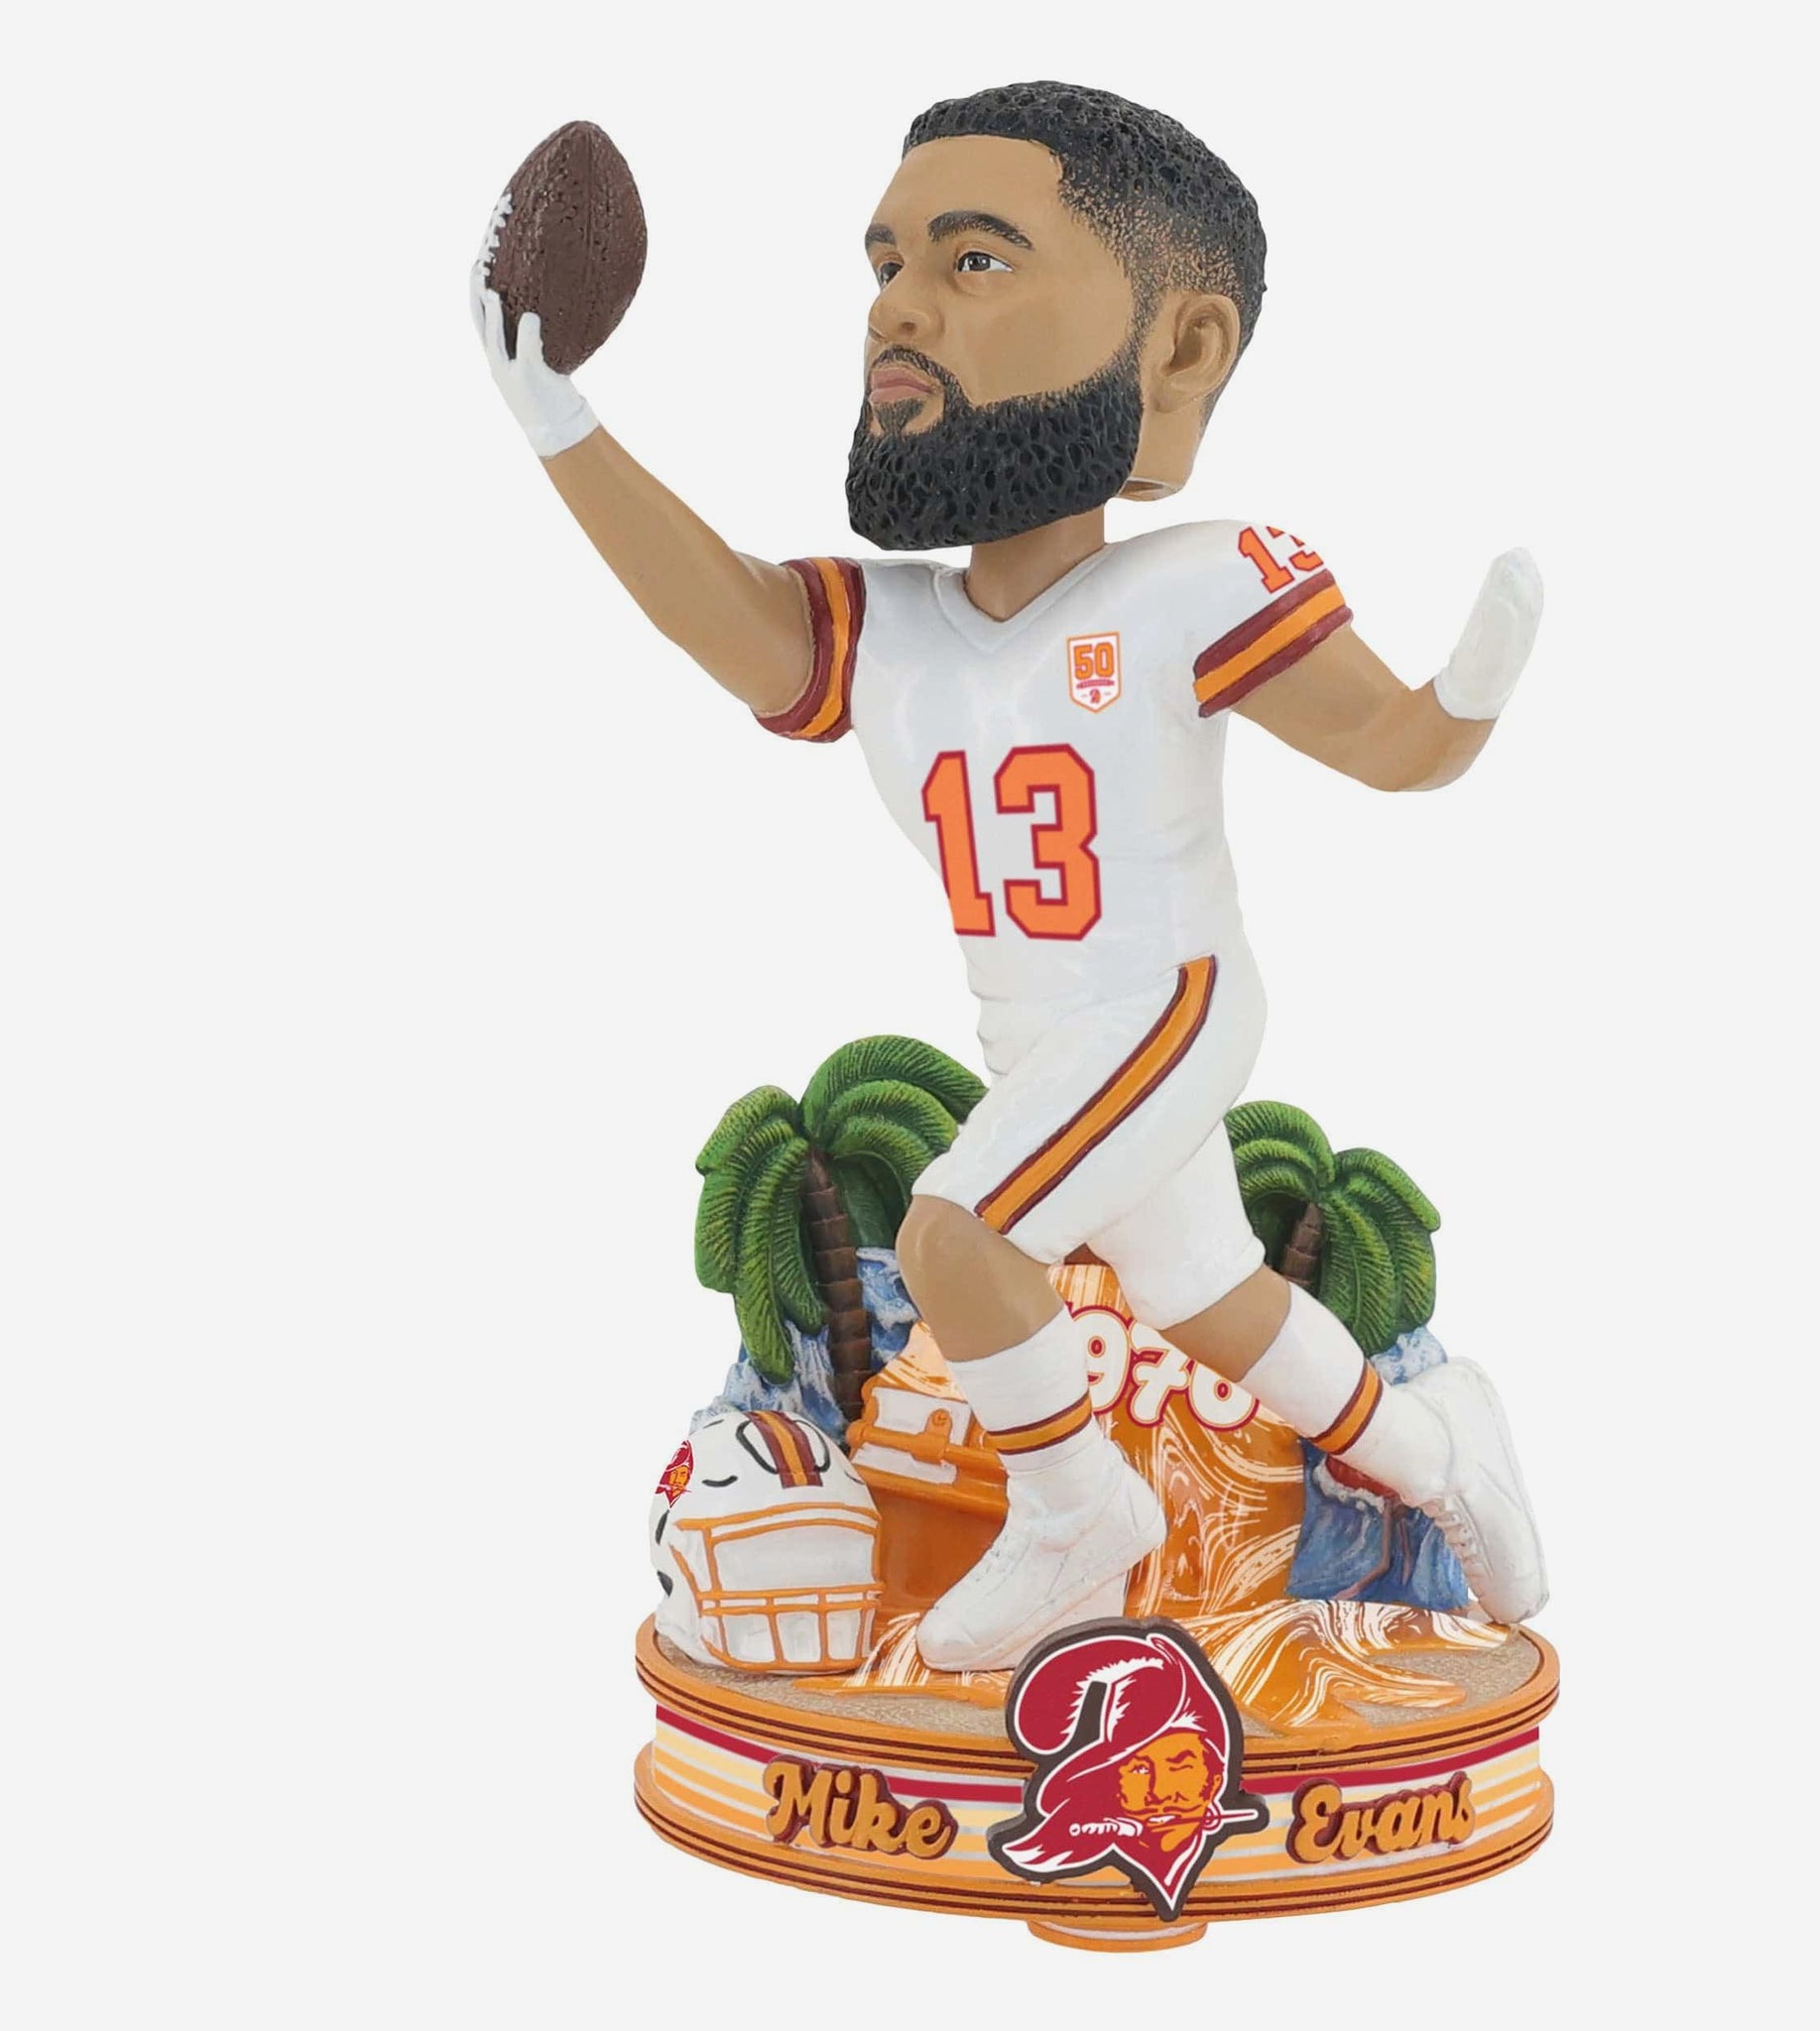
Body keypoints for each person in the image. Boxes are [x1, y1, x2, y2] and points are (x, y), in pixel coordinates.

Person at [474, 81, 1548, 1671]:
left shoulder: (1195, 585)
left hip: (1168, 1003)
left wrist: (1471, 686)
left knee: (955, 1237)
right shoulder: (894, 631)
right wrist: (559, 418)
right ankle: (1441, 1454)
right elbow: (724, 611)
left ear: (1176, 350)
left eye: (974, 261)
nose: (899, 307)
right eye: (886, 262)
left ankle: (1072, 1513)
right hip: (1043, 1037)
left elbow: (1398, 746)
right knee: (1211, 1299)